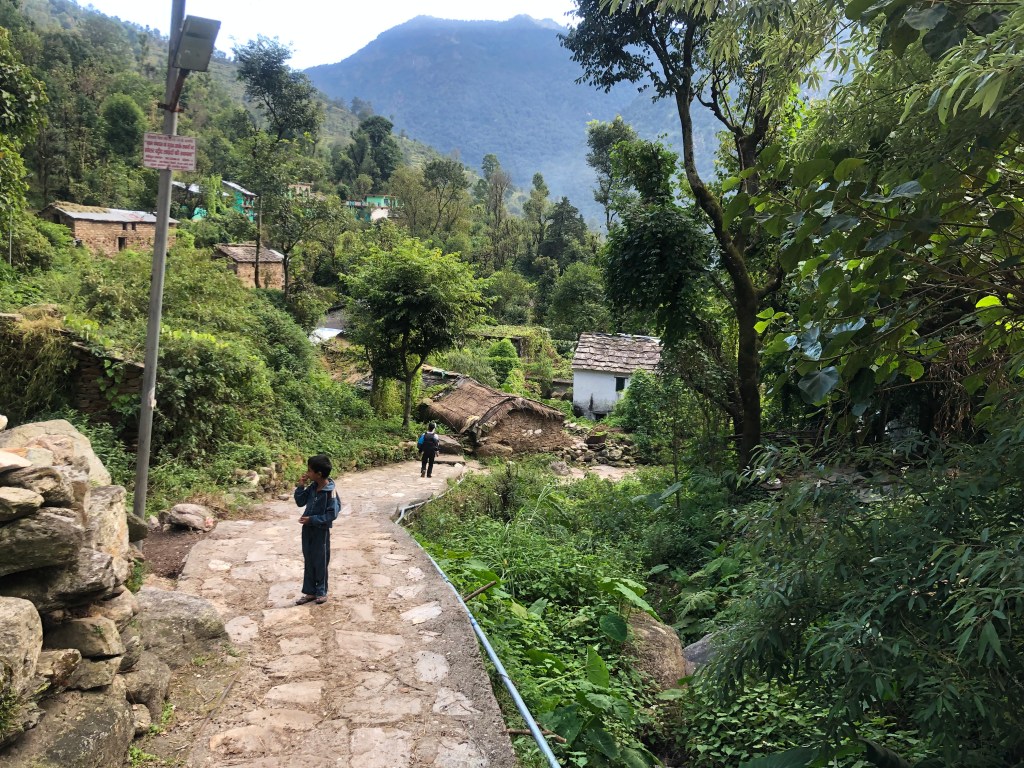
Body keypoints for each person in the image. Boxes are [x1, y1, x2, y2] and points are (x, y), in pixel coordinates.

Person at [293, 454, 340, 605]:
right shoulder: (313, 487)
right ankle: (310, 592)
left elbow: (332, 514)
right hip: (307, 530)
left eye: (309, 470)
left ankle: (321, 591)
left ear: (318, 474)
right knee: (309, 559)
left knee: (320, 561)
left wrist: (312, 519)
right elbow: (300, 502)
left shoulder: (330, 492)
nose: (307, 473)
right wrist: (300, 486)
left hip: (320, 531)